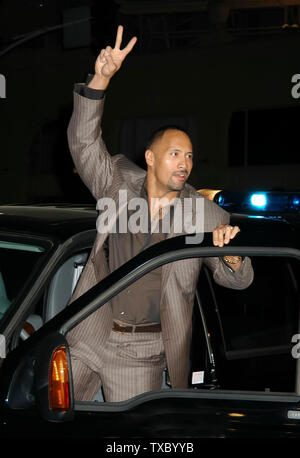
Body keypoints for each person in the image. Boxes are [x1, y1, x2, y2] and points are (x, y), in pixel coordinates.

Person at [66, 25, 254, 402]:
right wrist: (101, 79)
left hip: (142, 350)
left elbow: (239, 281)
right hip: (87, 332)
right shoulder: (116, 182)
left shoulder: (205, 215)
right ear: (150, 158)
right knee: (54, 423)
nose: (184, 162)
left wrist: (233, 258)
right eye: (174, 153)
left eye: (188, 156)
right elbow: (84, 144)